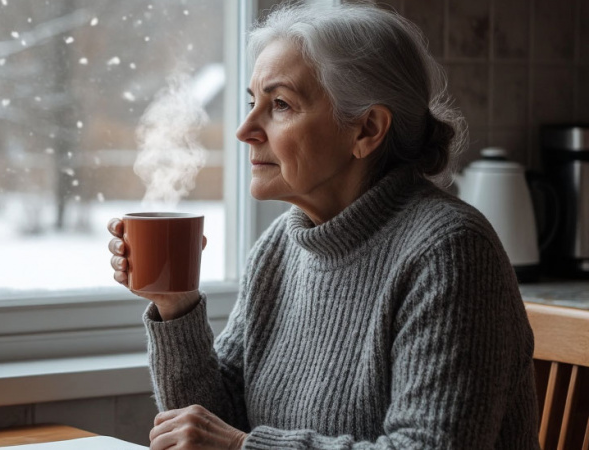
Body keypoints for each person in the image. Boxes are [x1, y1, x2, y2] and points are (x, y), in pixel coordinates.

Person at [108, 2, 539, 449]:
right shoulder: (282, 245)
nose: (245, 129)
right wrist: (175, 304)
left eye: (280, 105)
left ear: (366, 130)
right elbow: (214, 420)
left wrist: (242, 447)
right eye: (253, 102)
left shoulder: (450, 252)